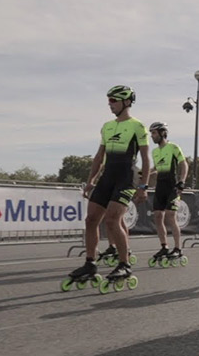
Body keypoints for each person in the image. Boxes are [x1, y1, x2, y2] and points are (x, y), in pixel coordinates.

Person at [69, 85, 149, 289]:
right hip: (107, 176)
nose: (109, 104)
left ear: (126, 102)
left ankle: (124, 264)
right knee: (91, 219)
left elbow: (146, 159)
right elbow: (98, 157)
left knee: (113, 219)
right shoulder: (106, 126)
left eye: (113, 100)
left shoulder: (137, 126)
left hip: (126, 177)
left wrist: (143, 185)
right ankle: (90, 263)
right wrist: (90, 181)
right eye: (109, 100)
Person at [148, 122, 189, 265]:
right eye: (151, 133)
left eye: (154, 133)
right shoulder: (154, 152)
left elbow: (184, 164)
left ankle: (178, 248)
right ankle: (164, 247)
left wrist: (182, 181)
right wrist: (146, 172)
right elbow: (158, 168)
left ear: (162, 133)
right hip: (160, 186)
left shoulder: (173, 147)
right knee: (158, 216)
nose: (152, 136)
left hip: (172, 186)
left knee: (171, 216)